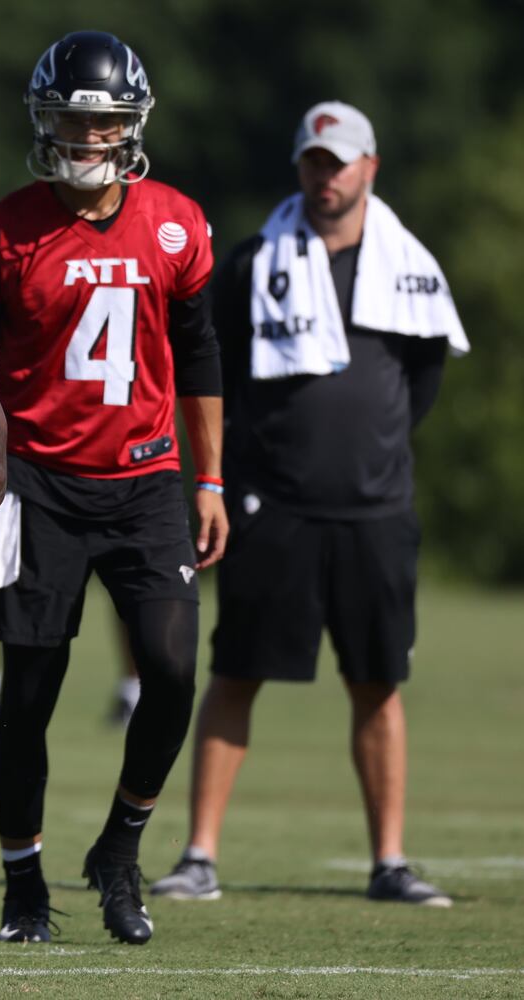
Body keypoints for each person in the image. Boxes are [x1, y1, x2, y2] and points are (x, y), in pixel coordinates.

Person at [0, 30, 228, 946]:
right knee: (28, 693)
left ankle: (120, 849)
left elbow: (200, 356)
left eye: (103, 121)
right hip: (33, 486)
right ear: (42, 120)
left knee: (171, 670)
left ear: (131, 125)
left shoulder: (176, 222)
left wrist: (209, 478)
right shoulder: (2, 232)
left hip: (144, 480)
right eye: (69, 119)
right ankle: (23, 887)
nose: (86, 137)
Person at [150, 101, 467, 909]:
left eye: (338, 161)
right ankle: (198, 856)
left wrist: (373, 447)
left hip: (375, 508)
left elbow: (422, 377)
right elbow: (208, 367)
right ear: (298, 166)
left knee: (377, 683)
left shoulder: (407, 264)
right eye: (311, 161)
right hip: (271, 504)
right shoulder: (253, 260)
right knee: (236, 672)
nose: (323, 176)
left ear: (369, 167)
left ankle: (389, 862)